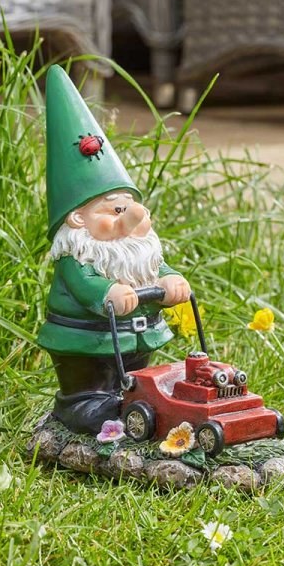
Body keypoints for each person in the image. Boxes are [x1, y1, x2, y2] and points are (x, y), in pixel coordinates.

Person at [37, 66, 190, 434]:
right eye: (116, 211)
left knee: (138, 384)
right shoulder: (77, 258)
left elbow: (155, 268)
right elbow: (86, 286)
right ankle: (81, 403)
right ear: (77, 219)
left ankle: (134, 405)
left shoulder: (135, 252)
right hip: (87, 343)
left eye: (132, 207)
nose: (132, 219)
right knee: (92, 386)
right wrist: (107, 292)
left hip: (138, 337)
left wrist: (170, 281)